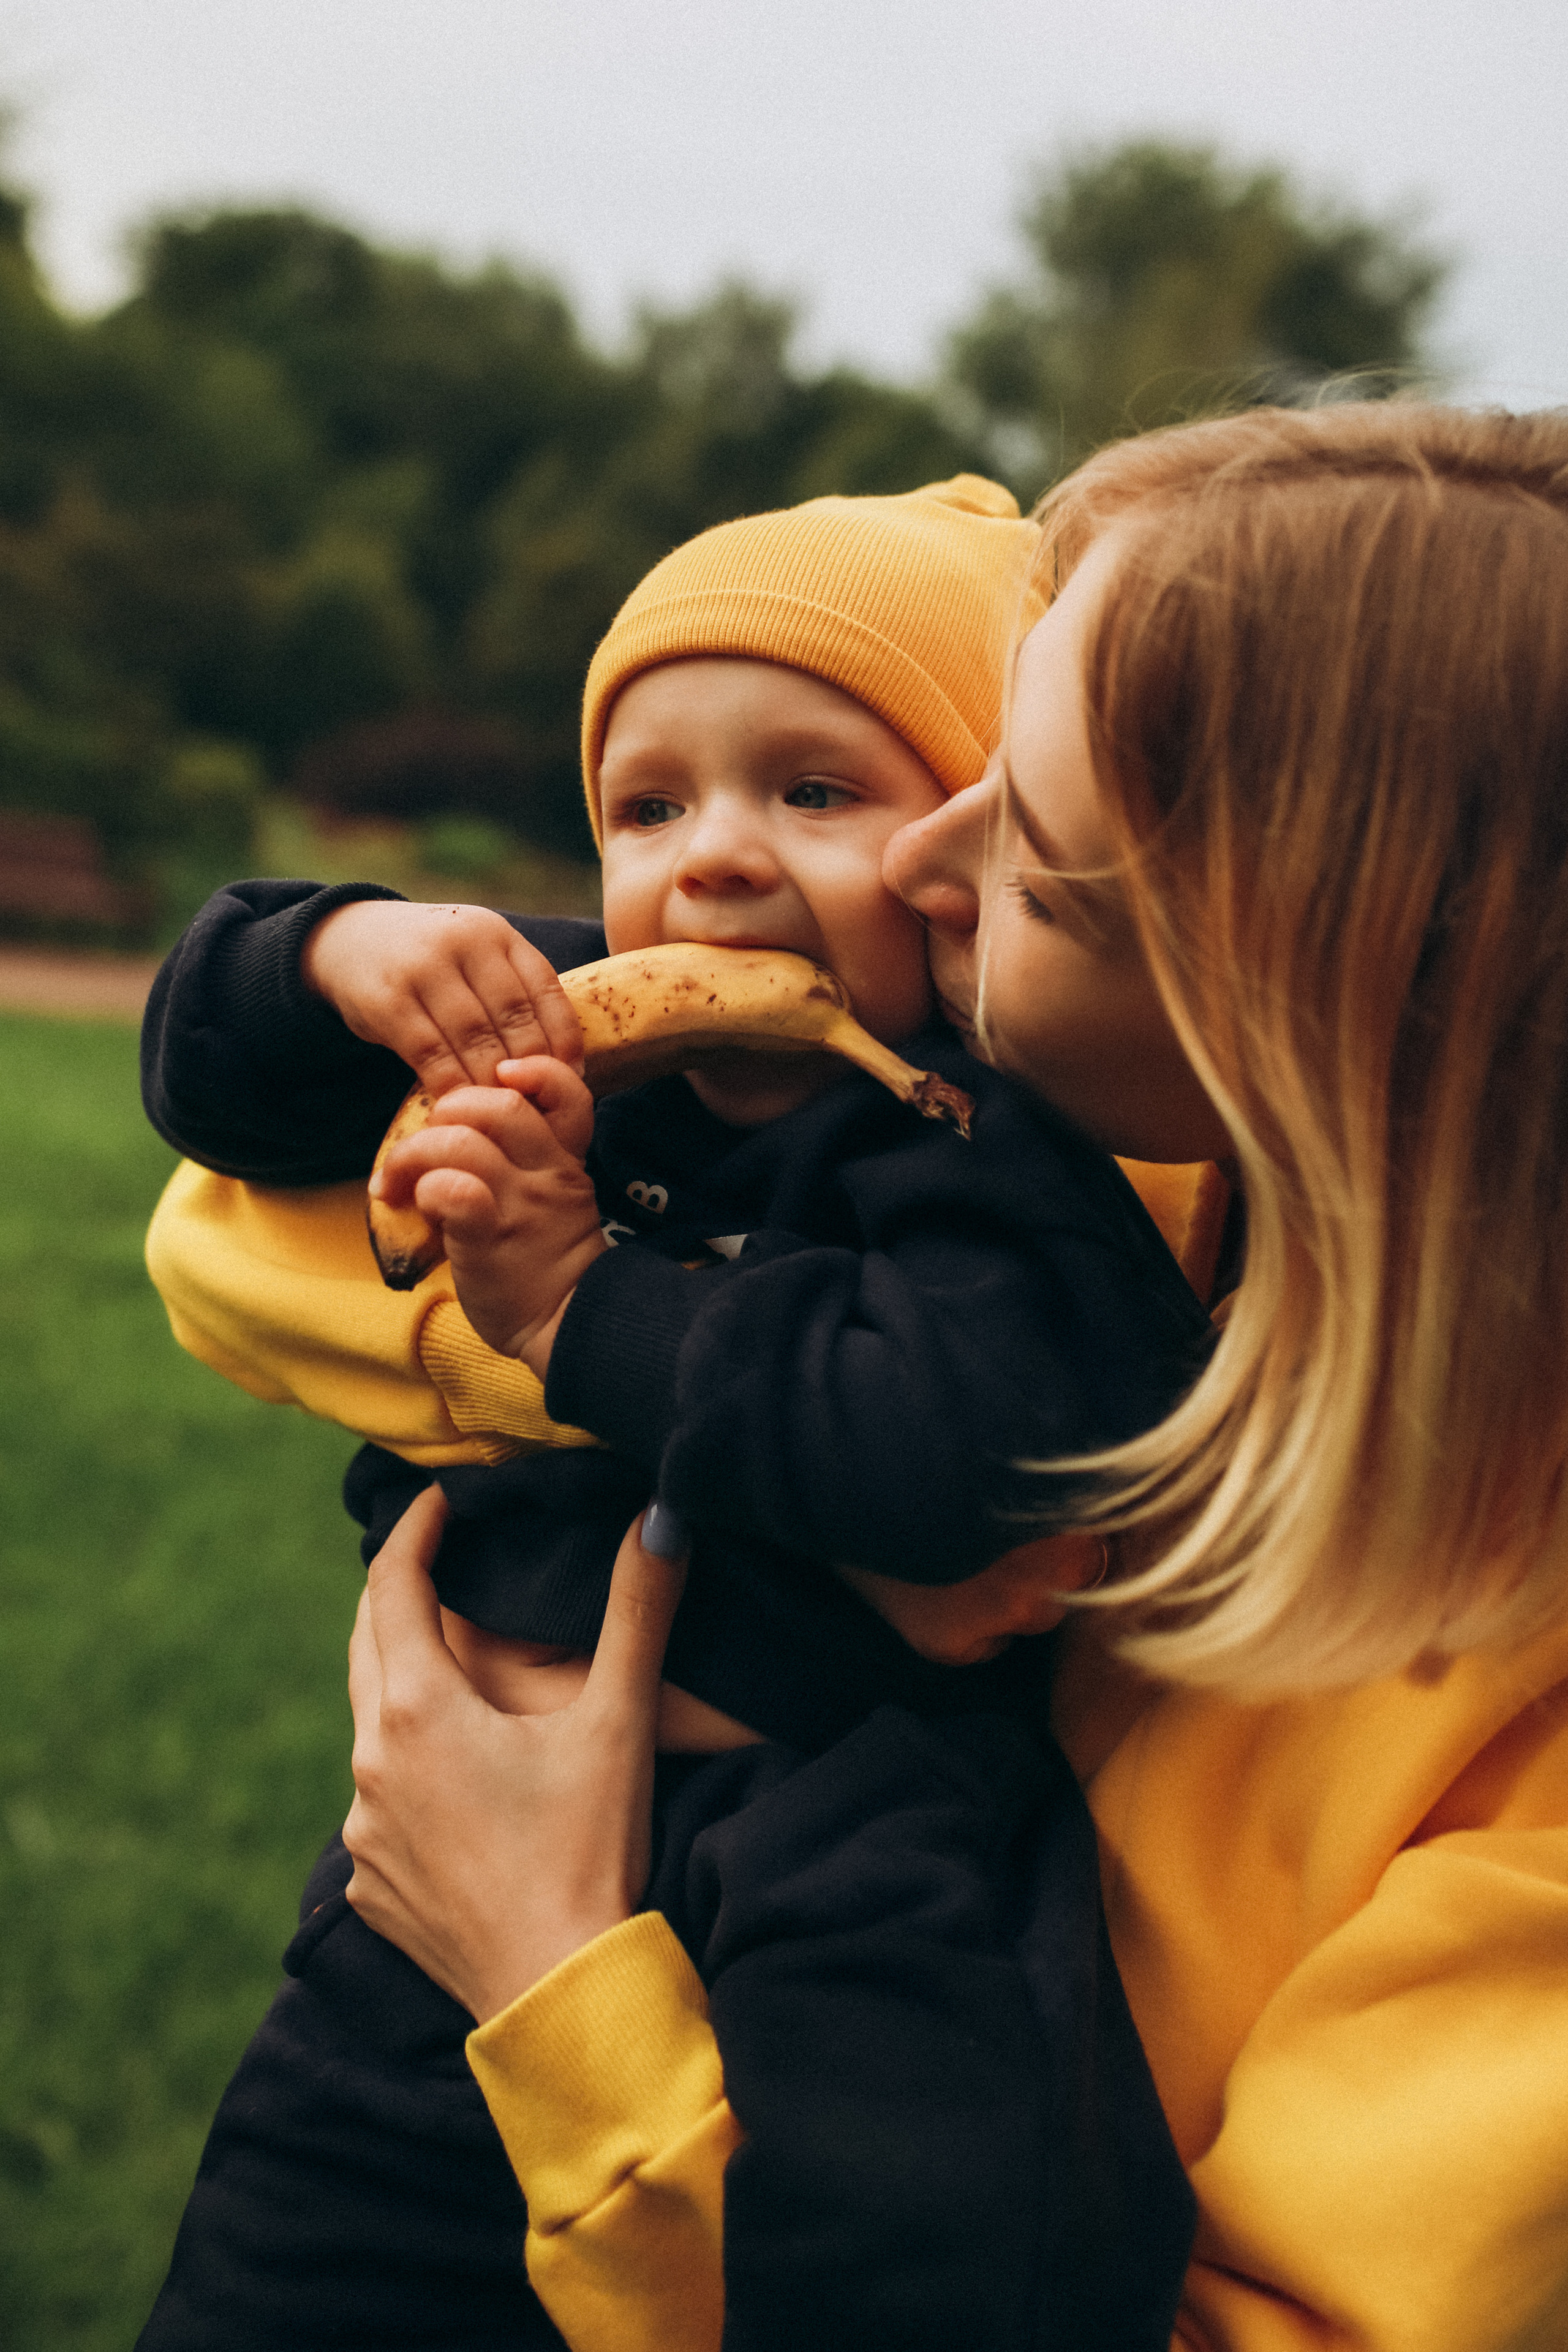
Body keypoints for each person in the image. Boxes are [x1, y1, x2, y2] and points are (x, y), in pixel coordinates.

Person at [342, 401, 1568, 2352]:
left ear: (1306, 999)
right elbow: (237, 1246)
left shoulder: (1529, 1778)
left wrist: (551, 1969)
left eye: (1040, 855)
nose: (920, 849)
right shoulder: (1187, 1198)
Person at [135, 478, 1219, 2350]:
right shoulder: (567, 1017)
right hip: (447, 1798)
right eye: (651, 802)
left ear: (975, 846)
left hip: (832, 1815)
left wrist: (580, 1306)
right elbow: (214, 1081)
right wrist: (335, 960)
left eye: (816, 791)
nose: (710, 858)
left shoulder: (975, 1146)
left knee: (921, 2216)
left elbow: (987, 1447)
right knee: (301, 2247)